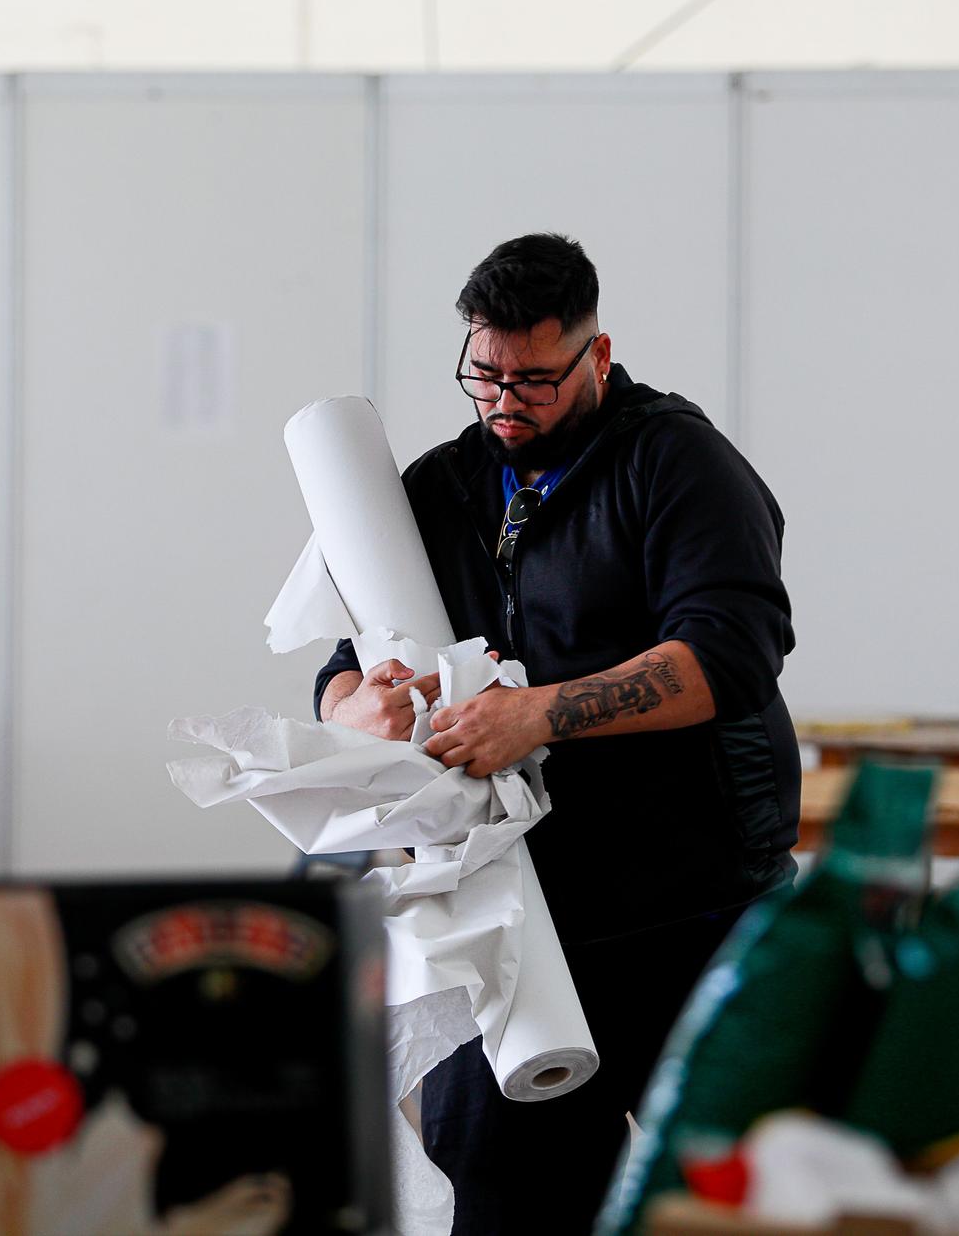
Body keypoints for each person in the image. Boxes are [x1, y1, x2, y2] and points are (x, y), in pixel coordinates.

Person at [314, 233, 801, 1233]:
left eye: (534, 379)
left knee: (727, 1196)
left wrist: (538, 713)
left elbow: (731, 652)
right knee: (499, 1185)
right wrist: (352, 708)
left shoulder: (675, 465)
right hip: (513, 916)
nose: (503, 404)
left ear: (598, 354)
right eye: (482, 375)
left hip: (687, 911)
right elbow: (343, 656)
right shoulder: (442, 487)